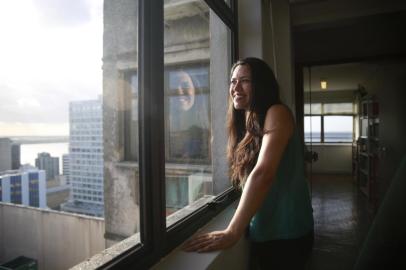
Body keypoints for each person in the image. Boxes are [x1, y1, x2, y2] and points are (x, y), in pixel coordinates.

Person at [183, 57, 314, 269]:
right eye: (233, 81)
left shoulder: (277, 112)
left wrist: (233, 231)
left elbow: (263, 173)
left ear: (261, 85)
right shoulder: (249, 122)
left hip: (287, 235)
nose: (235, 87)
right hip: (265, 231)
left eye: (244, 81)